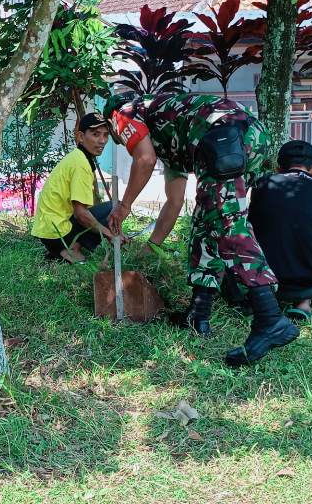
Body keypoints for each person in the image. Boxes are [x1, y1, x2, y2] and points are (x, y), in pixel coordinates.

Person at [105, 92, 299, 367]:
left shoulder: (123, 112)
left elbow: (144, 159)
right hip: (243, 138)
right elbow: (174, 202)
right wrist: (152, 245)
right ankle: (198, 313)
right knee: (205, 222)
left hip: (226, 136)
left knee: (228, 225)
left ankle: (270, 318)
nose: (122, 142)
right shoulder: (171, 131)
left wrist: (123, 206)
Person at [248, 140, 312, 320]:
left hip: (263, 279)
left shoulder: (261, 187)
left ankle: (264, 299)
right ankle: (303, 303)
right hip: (311, 281)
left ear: (278, 167)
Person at [31, 113, 114, 263]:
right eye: (95, 134)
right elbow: (81, 214)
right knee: (116, 207)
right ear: (81, 137)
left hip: (47, 229)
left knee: (111, 208)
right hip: (56, 232)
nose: (102, 141)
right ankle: (71, 248)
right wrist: (110, 235)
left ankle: (59, 251)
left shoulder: (77, 157)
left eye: (105, 135)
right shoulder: (80, 164)